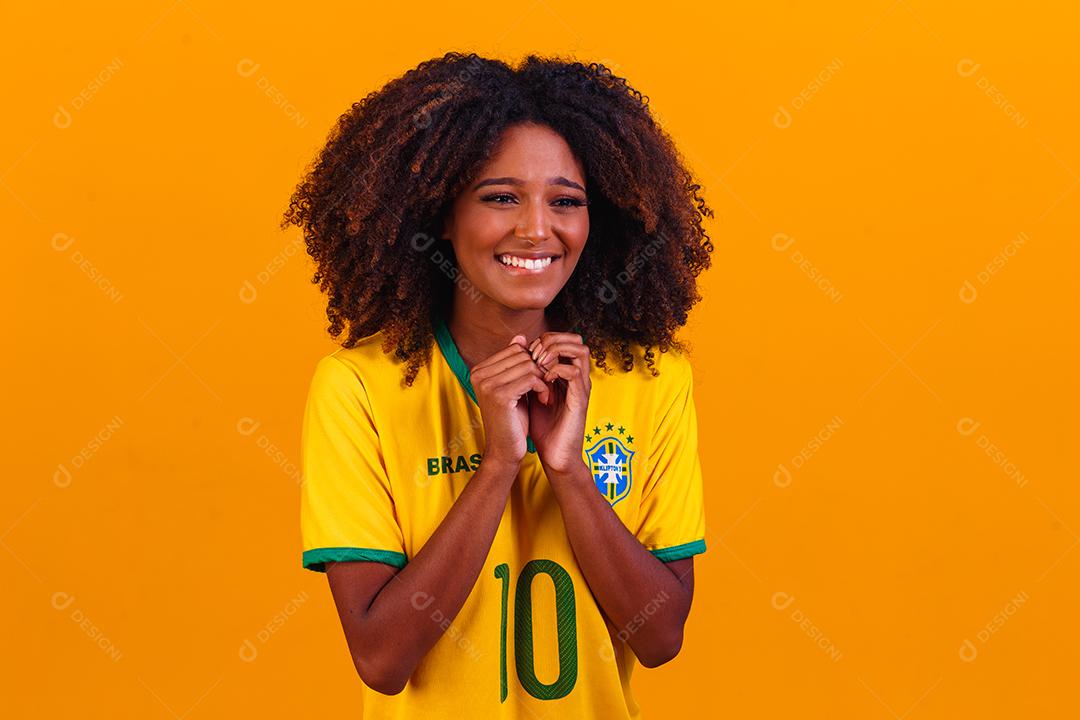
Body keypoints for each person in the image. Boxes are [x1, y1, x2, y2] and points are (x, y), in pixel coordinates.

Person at [281, 51, 715, 719]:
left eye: (566, 201)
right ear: (440, 216)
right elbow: (381, 658)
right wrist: (499, 465)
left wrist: (568, 471)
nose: (536, 229)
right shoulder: (359, 388)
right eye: (500, 197)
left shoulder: (651, 380)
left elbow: (660, 638)